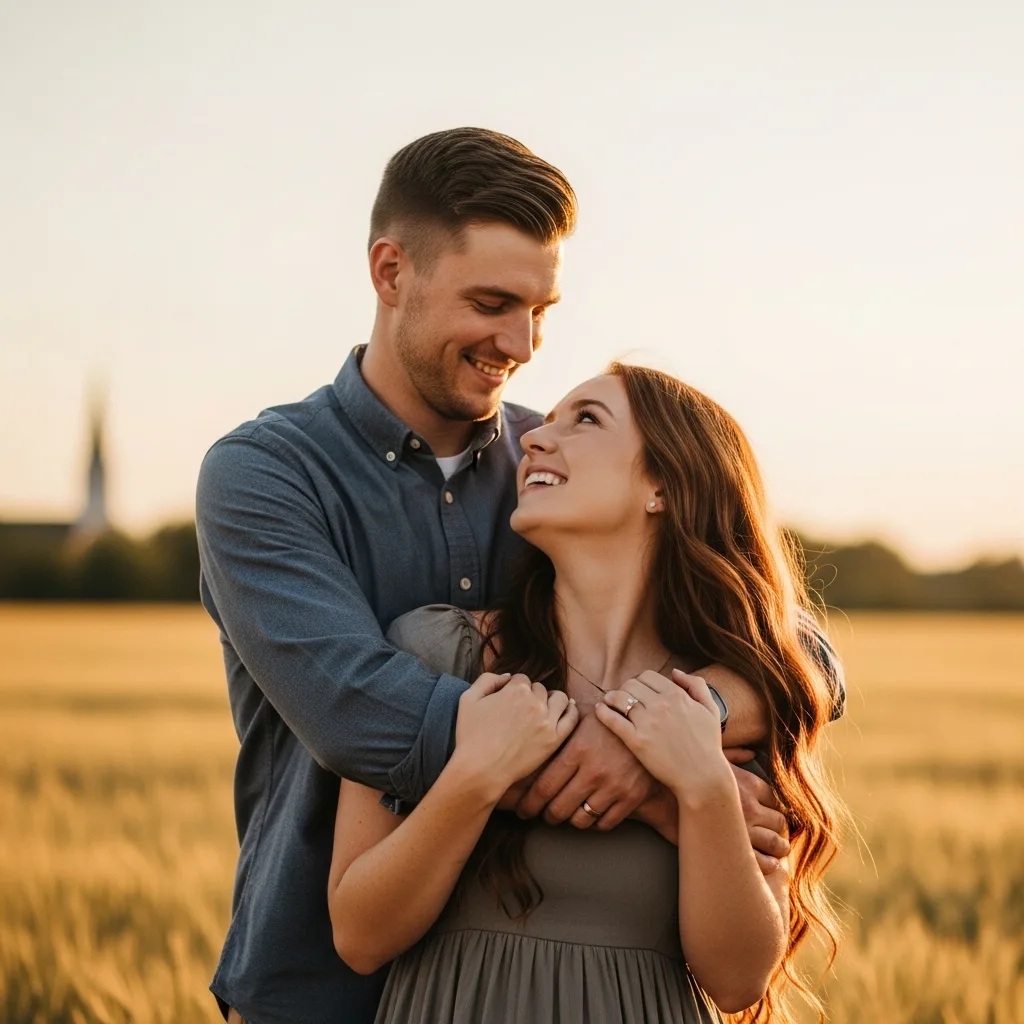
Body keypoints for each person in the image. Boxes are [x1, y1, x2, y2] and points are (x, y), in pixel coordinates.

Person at [196, 127, 843, 1024]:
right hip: (318, 988)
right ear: (391, 273)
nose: (523, 343)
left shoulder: (557, 467)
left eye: (541, 309)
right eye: (493, 302)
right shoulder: (267, 475)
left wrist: (677, 733)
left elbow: (798, 651)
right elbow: (358, 710)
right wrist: (646, 776)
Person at [328, 364, 845, 1024]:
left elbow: (738, 981)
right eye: (548, 421)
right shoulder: (439, 653)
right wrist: (477, 775)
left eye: (587, 420)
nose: (535, 438)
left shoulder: (726, 708)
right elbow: (360, 936)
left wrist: (703, 788)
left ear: (663, 485)